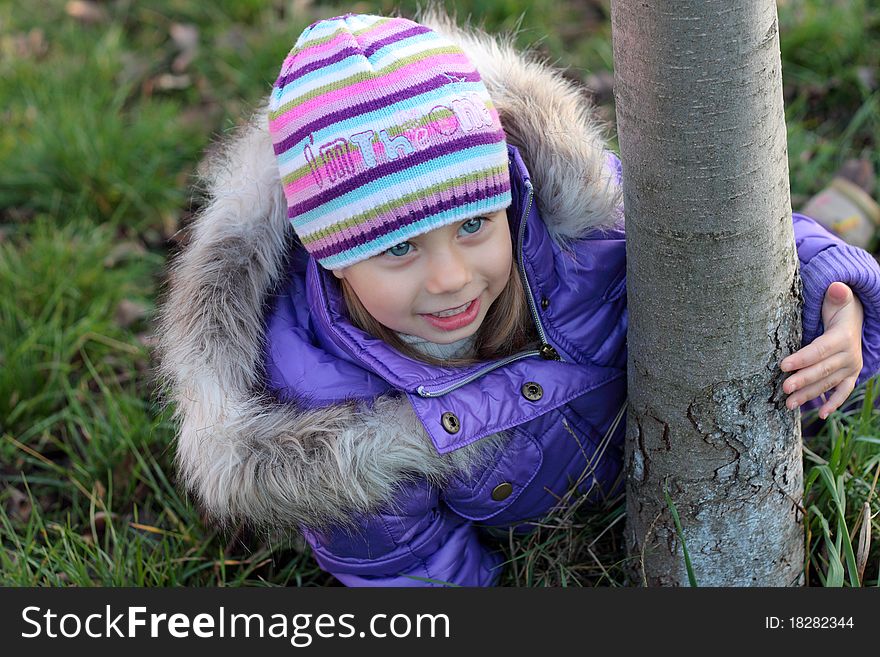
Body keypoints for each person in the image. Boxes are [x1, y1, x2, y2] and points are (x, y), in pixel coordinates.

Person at [156, 12, 880, 586]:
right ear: (331, 258)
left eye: (474, 224)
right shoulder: (330, 423)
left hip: (685, 438)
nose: (450, 277)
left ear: (508, 198)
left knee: (806, 233)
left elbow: (716, 245)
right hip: (584, 499)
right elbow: (412, 570)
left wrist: (832, 302)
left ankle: (843, 213)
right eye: (399, 248)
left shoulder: (578, 231)